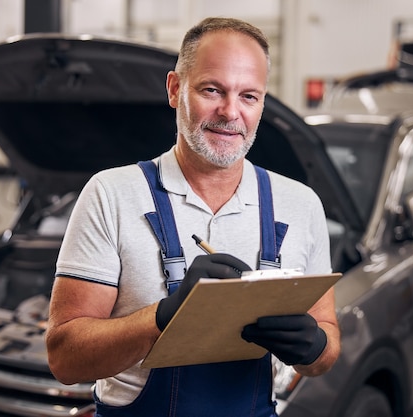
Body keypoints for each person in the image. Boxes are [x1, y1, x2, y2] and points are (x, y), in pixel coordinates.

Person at [46, 17, 340, 416]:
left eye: (249, 96)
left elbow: (327, 347)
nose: (230, 112)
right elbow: (65, 360)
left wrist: (315, 347)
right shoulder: (111, 195)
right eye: (212, 89)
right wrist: (163, 316)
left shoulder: (300, 205)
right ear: (174, 88)